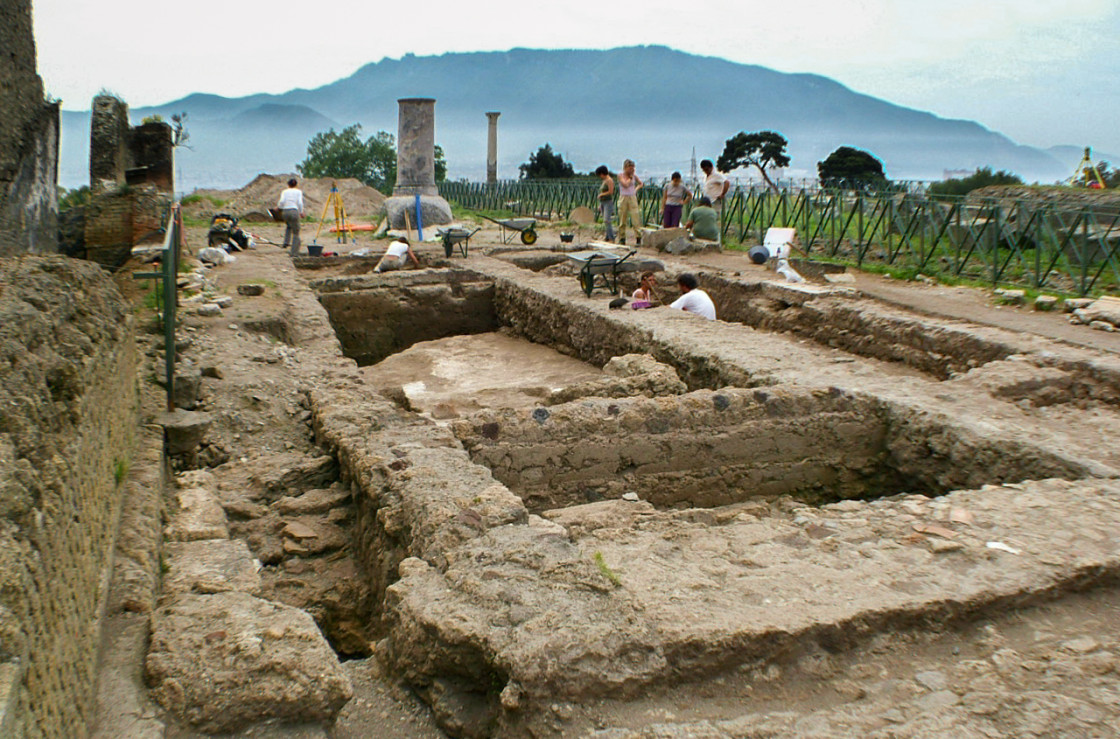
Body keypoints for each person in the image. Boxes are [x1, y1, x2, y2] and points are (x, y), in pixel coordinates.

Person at [700, 159, 729, 240]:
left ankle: (716, 238)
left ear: (711, 167)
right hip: (708, 202)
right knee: (707, 220)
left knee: (713, 220)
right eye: (704, 170)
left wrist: (722, 194)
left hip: (715, 201)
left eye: (706, 169)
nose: (705, 171)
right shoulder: (707, 177)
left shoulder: (717, 175)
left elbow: (726, 182)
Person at [617, 159, 643, 245]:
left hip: (632, 197)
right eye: (630, 168)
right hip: (623, 197)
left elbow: (641, 183)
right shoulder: (620, 175)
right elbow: (625, 184)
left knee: (635, 216)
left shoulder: (634, 176)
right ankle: (622, 237)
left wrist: (636, 189)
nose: (632, 170)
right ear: (625, 168)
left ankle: (638, 236)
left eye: (633, 168)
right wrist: (630, 178)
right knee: (622, 218)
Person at [277, 178, 305, 257]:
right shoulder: (298, 192)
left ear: (288, 185)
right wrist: (301, 212)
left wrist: (279, 207)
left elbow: (282, 201)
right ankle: (294, 253)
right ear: (296, 185)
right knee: (296, 233)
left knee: (289, 226)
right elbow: (300, 202)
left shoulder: (284, 192)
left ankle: (286, 243)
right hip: (294, 211)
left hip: (285, 212)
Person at [595, 165, 615, 242]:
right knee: (605, 220)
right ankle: (607, 236)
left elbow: (611, 191)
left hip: (608, 202)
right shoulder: (604, 181)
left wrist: (601, 195)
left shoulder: (609, 180)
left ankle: (611, 237)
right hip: (603, 202)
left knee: (607, 219)